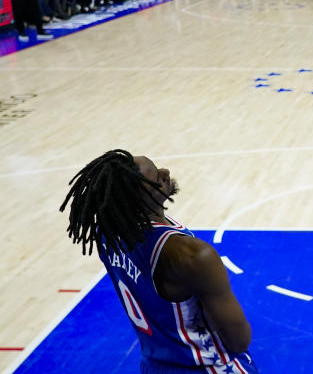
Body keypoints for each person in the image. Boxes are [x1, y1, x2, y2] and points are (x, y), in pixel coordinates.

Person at [59, 150, 258, 373]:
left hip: (155, 364)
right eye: (156, 179)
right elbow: (239, 341)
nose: (165, 172)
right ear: (140, 201)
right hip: (207, 366)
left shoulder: (107, 231)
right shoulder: (191, 256)